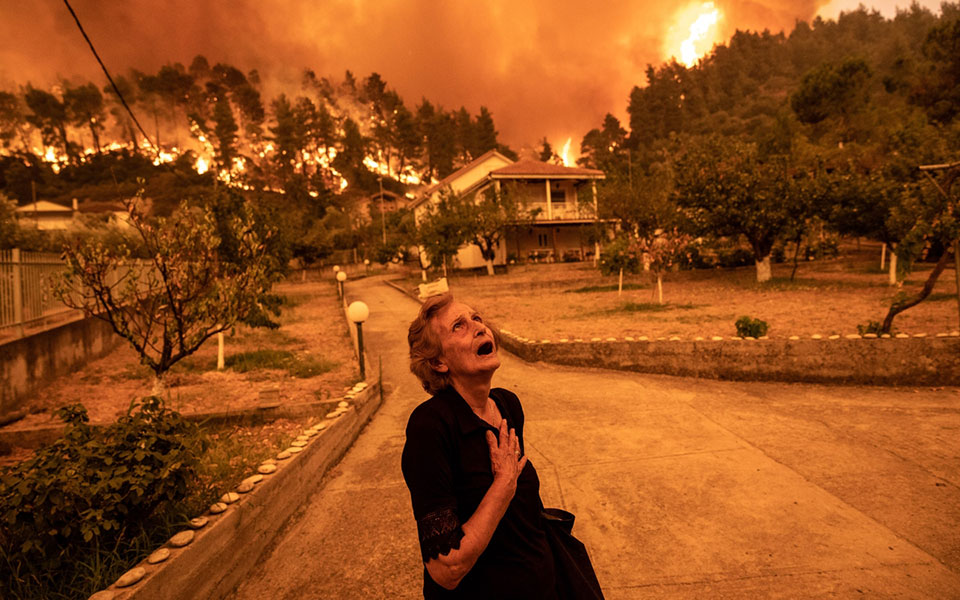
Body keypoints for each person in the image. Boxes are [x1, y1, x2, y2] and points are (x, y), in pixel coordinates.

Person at [401, 292, 558, 599]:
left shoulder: (507, 405)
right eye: (458, 326)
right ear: (438, 362)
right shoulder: (430, 427)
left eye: (476, 318)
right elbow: (446, 569)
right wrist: (502, 485)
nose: (478, 327)